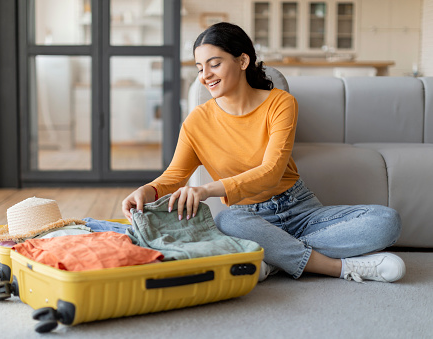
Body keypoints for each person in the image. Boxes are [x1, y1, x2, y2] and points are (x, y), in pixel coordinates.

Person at [121, 22, 405, 283]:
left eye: (214, 64)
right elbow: (174, 176)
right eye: (199, 68)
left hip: (300, 210)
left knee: (386, 222)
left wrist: (206, 190)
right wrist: (146, 191)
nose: (205, 76)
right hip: (248, 217)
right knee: (227, 221)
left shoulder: (280, 104)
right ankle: (338, 267)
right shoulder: (197, 121)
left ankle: (270, 254)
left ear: (242, 60)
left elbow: (271, 172)